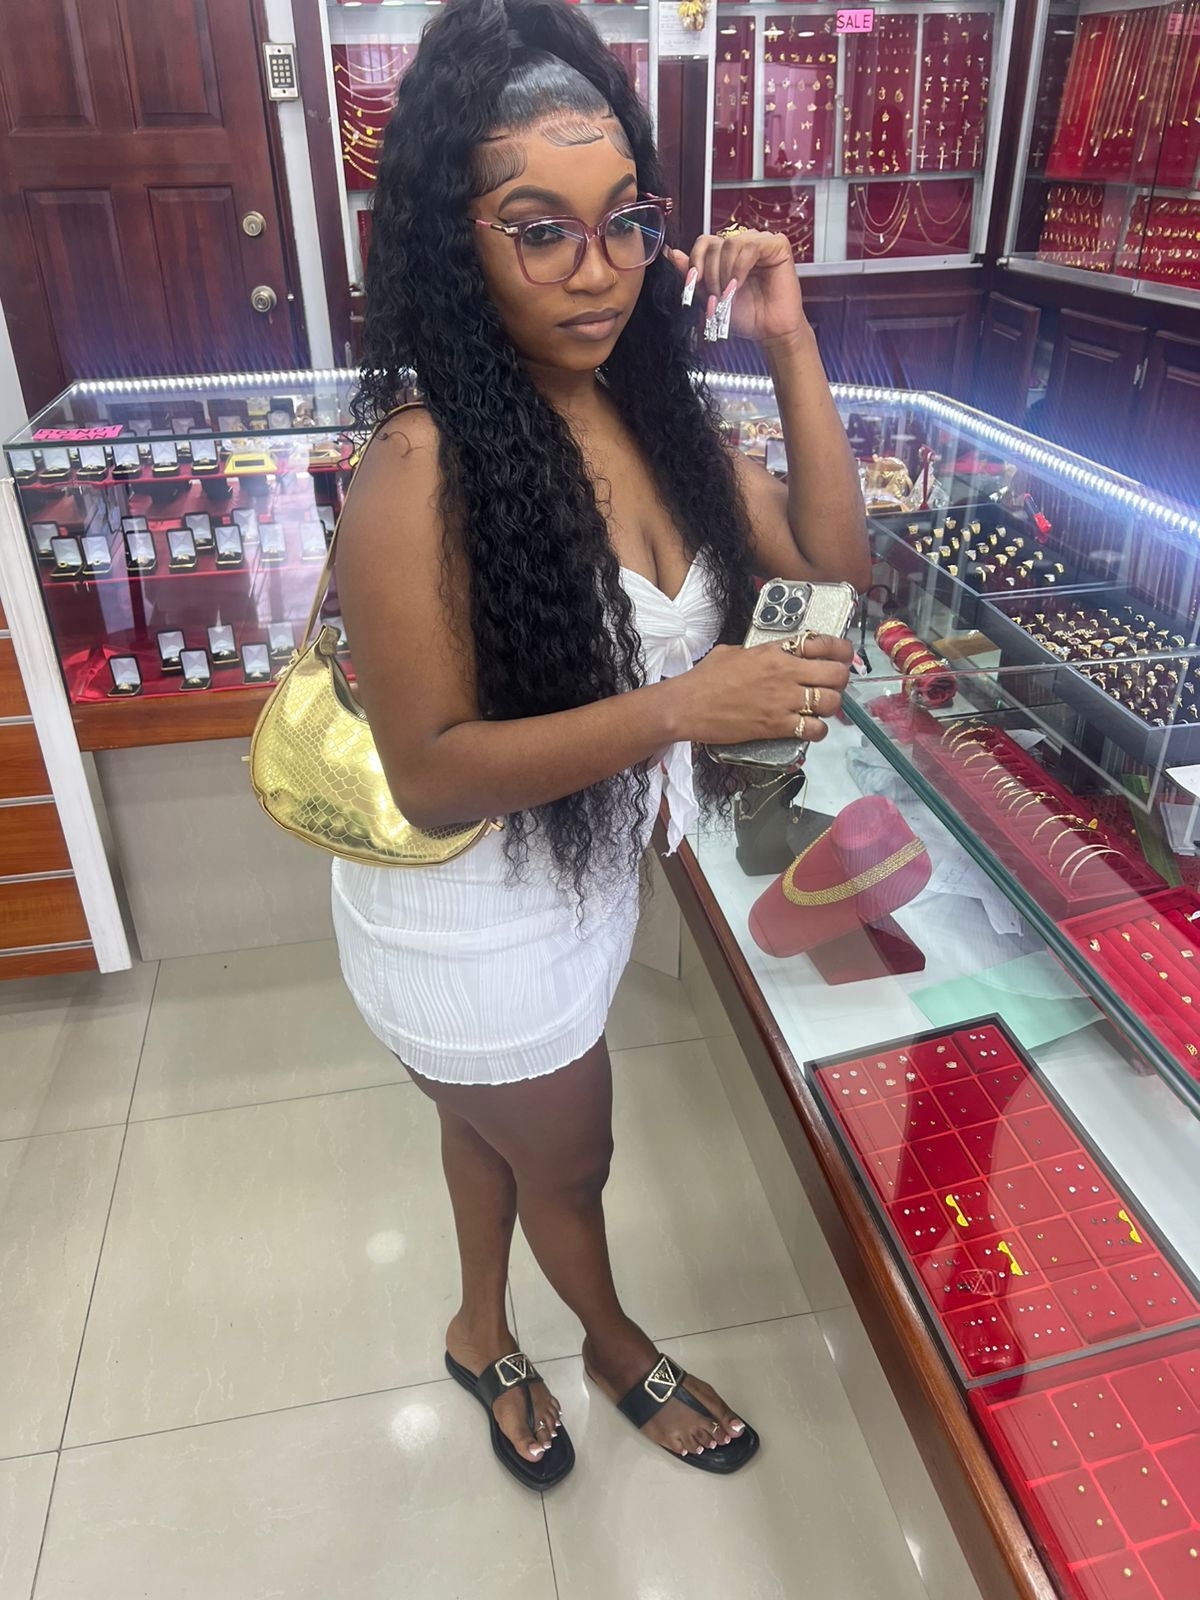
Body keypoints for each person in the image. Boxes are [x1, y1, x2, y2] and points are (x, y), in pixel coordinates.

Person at [332, 0, 869, 1489]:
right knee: (569, 1161)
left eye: (625, 220)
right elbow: (431, 771)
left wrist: (789, 341)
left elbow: (833, 563)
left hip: (576, 881)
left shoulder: (652, 413)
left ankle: (477, 1329)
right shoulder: (419, 466)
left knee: (495, 1132)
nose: (598, 269)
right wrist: (681, 709)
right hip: (466, 920)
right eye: (539, 231)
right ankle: (617, 1348)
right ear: (455, 245)